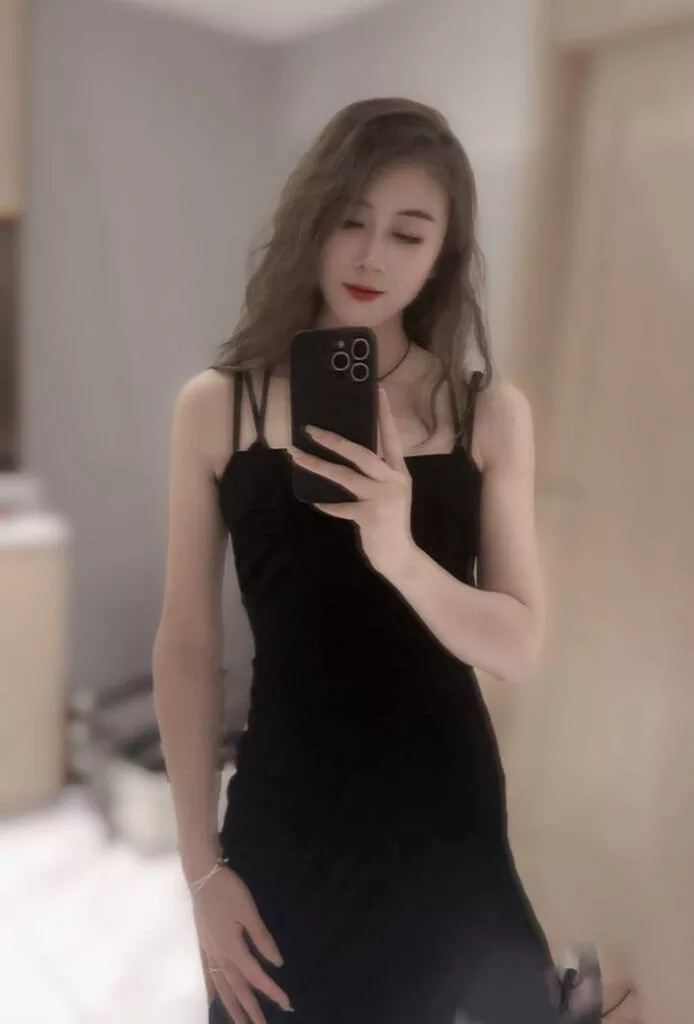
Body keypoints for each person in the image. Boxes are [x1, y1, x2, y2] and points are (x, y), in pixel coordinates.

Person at [153, 98, 601, 1024]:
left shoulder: (486, 413)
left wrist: (399, 550)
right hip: (289, 812)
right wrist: (200, 869)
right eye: (351, 220)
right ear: (311, 220)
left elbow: (517, 647)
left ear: (442, 253)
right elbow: (188, 647)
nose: (371, 257)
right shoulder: (217, 408)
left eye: (408, 232)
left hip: (446, 816)